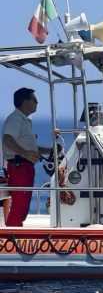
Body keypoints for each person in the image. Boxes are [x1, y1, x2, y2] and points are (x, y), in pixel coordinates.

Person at [2, 88, 51, 227]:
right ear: (25, 101)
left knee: (22, 208)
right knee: (19, 207)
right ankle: (12, 238)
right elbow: (7, 139)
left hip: (25, 167)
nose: (37, 102)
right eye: (34, 100)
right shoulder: (15, 119)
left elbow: (31, 149)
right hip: (19, 168)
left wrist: (50, 150)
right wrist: (24, 153)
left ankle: (16, 234)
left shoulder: (24, 121)